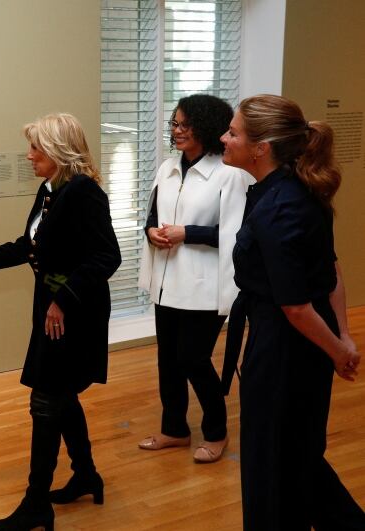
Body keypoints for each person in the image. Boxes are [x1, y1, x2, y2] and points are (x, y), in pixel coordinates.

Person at [0, 113, 121, 530]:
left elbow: (107, 257)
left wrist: (62, 298)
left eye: (36, 148)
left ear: (59, 151)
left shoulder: (82, 193)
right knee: (60, 396)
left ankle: (36, 503)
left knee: (46, 401)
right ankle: (85, 475)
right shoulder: (51, 191)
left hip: (72, 314)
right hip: (53, 310)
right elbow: (29, 246)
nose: (29, 156)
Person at [220, 94, 365, 529]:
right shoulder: (295, 189)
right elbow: (331, 270)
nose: (224, 139)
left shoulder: (278, 208)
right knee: (299, 455)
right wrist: (341, 336)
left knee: (270, 460)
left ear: (261, 148)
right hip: (302, 343)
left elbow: (297, 306)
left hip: (285, 347)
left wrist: (340, 350)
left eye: (233, 132)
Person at [136, 94, 251, 462]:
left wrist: (189, 233)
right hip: (167, 282)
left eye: (186, 124)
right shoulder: (168, 168)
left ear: (206, 127)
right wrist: (151, 232)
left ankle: (216, 431)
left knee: (193, 360)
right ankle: (174, 429)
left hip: (205, 287)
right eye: (174, 123)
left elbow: (238, 237)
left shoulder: (230, 175)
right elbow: (152, 215)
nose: (178, 130)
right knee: (167, 361)